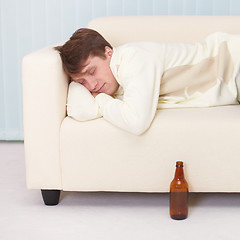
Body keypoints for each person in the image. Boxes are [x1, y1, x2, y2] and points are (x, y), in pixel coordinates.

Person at [55, 28, 240, 135]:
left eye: (92, 71)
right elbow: (82, 109)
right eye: (82, 82)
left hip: (232, 62)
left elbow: (136, 122)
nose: (92, 85)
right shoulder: (115, 80)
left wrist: (100, 100)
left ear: (108, 52)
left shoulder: (133, 59)